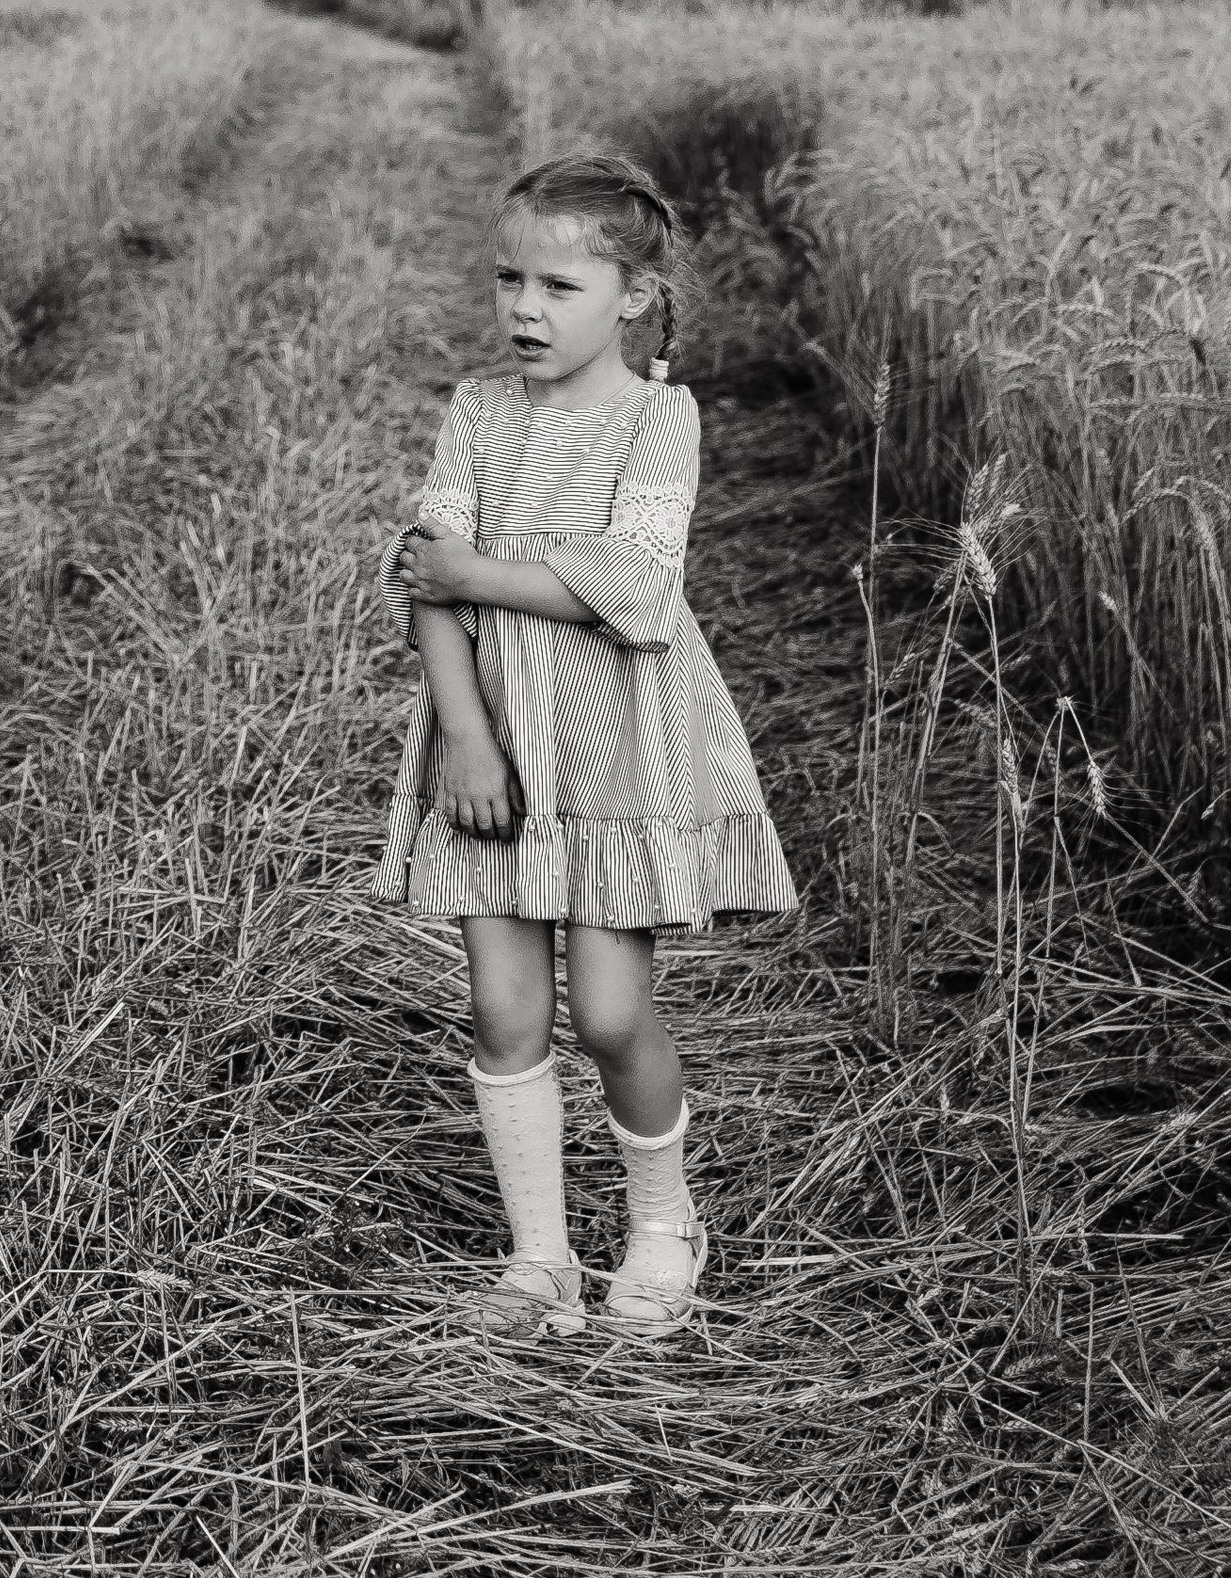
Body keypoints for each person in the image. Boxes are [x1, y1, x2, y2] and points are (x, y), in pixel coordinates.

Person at [372, 150, 799, 1339]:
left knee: (610, 1015)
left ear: (636, 298)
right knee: (504, 1014)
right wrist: (463, 734)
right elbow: (426, 586)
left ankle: (664, 1226)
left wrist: (476, 571)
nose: (522, 308)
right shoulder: (478, 411)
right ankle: (540, 1258)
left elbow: (639, 589)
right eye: (509, 278)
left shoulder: (659, 417)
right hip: (495, 736)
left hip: (615, 743)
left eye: (559, 287)